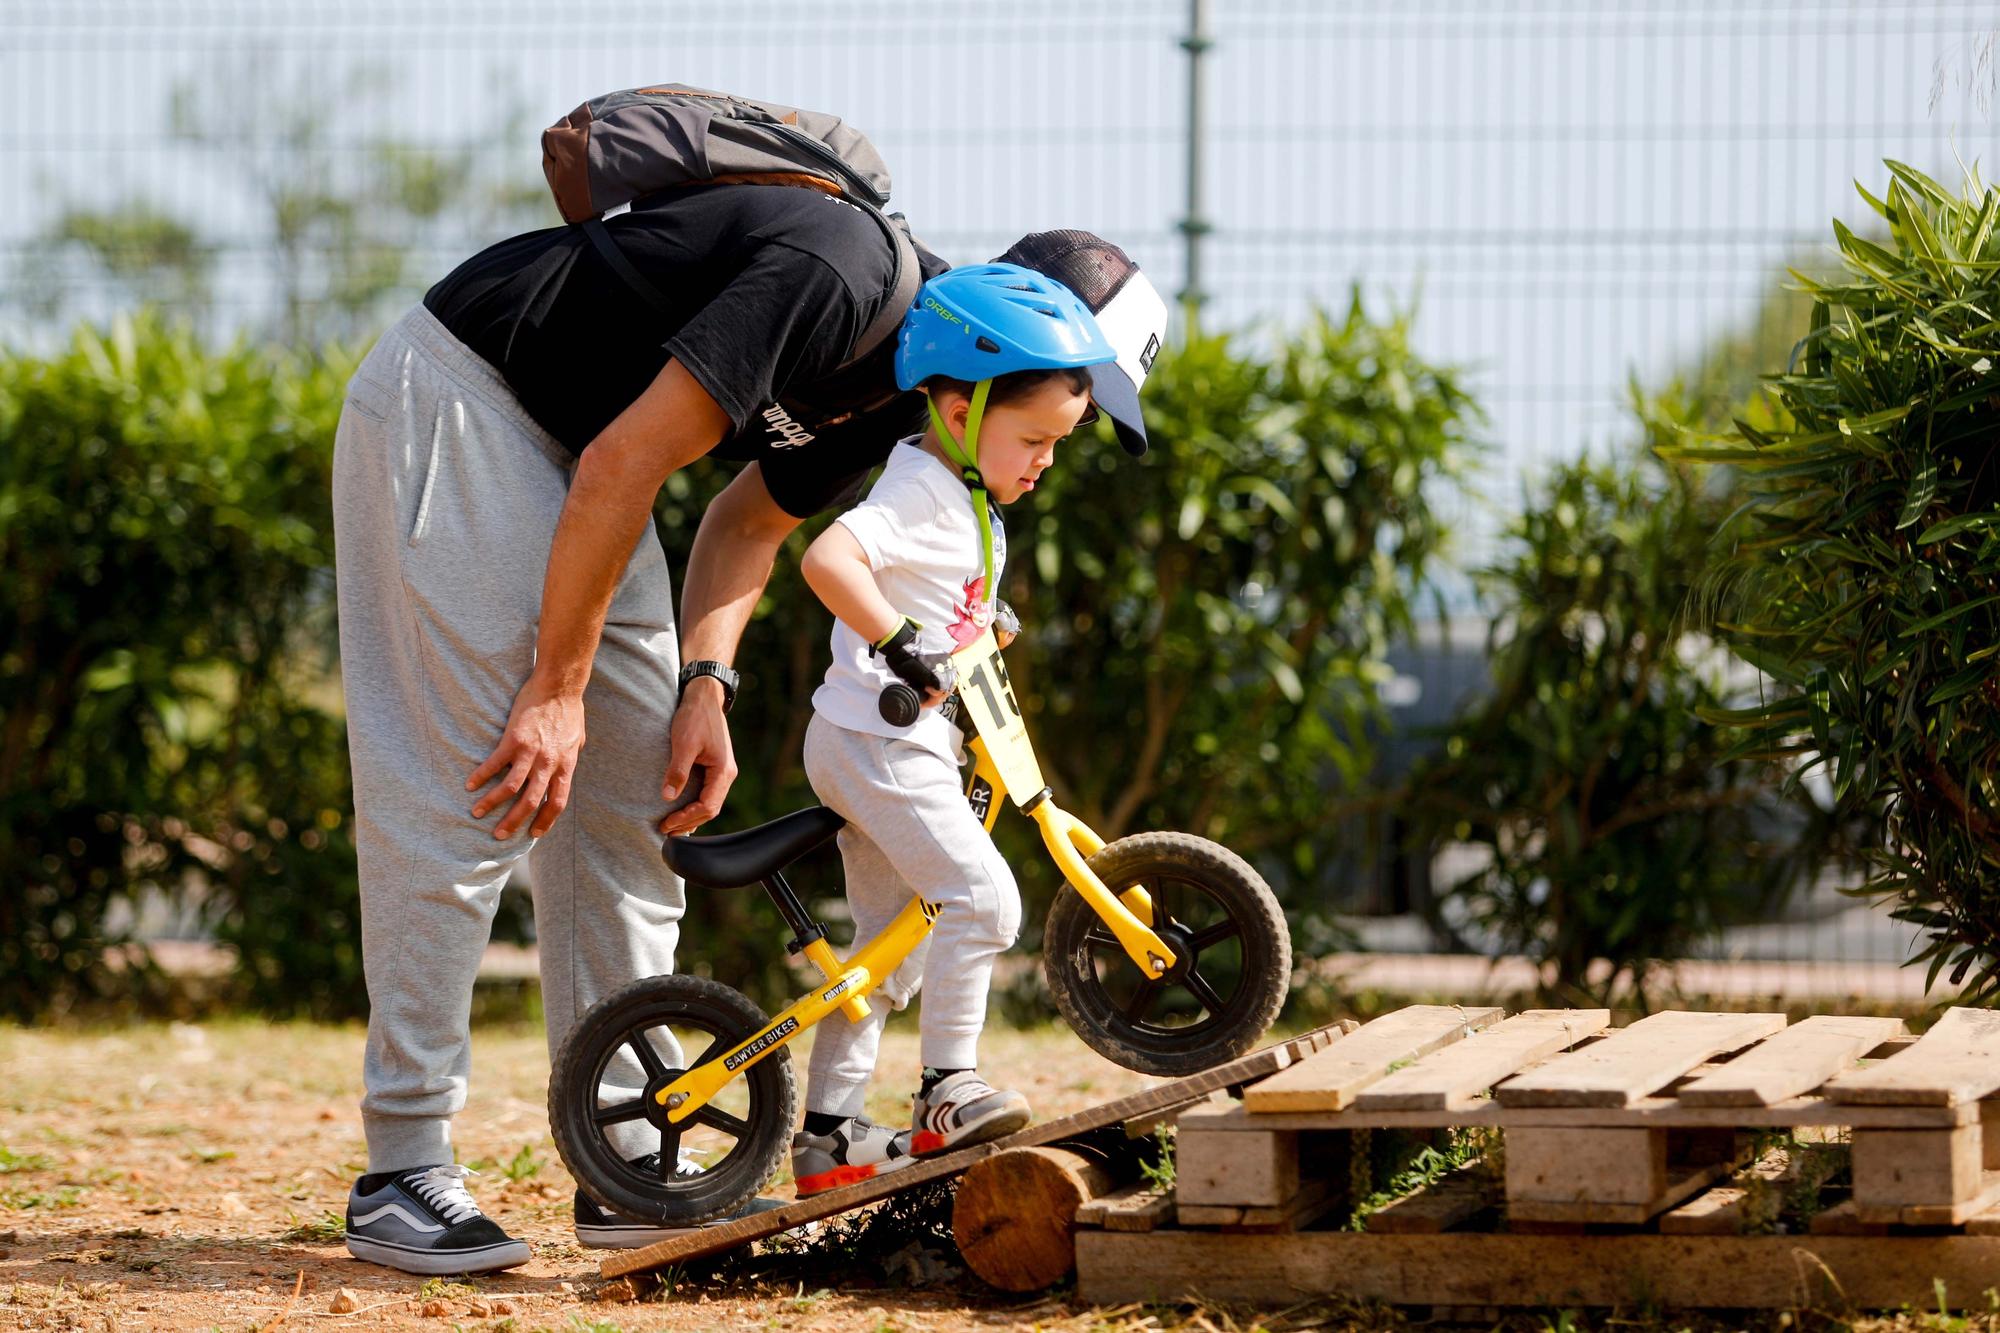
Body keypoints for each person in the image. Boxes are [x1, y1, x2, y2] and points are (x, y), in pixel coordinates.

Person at [331, 177, 1167, 1270]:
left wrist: (704, 686)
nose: (1063, 431)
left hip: (580, 456)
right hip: (470, 400)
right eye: (1062, 394)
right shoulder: (839, 275)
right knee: (483, 783)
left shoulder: (895, 398)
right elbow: (627, 461)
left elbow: (743, 523)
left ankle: (626, 1155)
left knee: (633, 804)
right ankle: (403, 1164)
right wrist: (552, 685)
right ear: (1003, 344)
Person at [787, 263, 1117, 1195]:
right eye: (1034, 438)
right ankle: (947, 1087)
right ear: (961, 410)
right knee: (985, 902)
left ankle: (829, 1136)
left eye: (1059, 442)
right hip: (875, 744)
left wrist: (970, 629)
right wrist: (899, 643)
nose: (1045, 459)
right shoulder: (924, 489)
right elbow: (829, 556)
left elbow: (938, 597)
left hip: (896, 744)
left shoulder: (967, 497)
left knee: (891, 951)